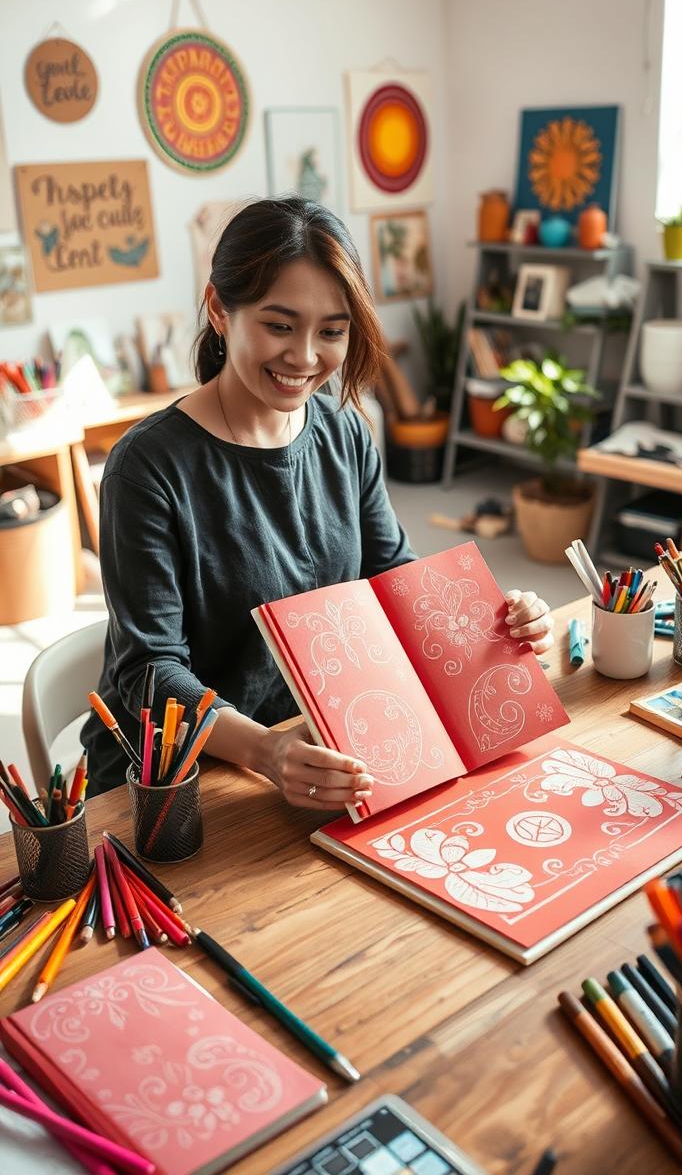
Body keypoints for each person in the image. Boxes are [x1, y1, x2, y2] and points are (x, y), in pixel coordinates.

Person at [81, 197, 554, 809]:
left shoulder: (347, 432)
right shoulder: (146, 466)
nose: (305, 358)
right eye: (279, 325)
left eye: (331, 332)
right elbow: (150, 672)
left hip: (308, 746)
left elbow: (392, 576)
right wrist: (265, 753)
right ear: (219, 309)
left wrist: (493, 621)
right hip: (169, 779)